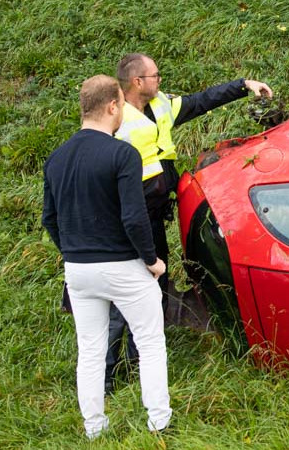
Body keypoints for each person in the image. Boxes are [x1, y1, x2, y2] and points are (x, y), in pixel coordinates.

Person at [104, 53, 272, 391]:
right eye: (155, 76)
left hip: (153, 213)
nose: (160, 80)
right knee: (130, 293)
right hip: (130, 218)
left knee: (152, 285)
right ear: (138, 82)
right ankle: (110, 372)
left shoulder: (161, 105)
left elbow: (199, 102)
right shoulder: (117, 123)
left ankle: (138, 358)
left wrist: (243, 86)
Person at [42, 75, 172, 439]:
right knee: (149, 343)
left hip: (78, 271)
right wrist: (151, 261)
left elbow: (49, 218)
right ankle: (159, 423)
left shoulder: (57, 158)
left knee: (90, 350)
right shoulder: (122, 153)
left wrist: (72, 252)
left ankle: (94, 428)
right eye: (122, 106)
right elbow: (134, 217)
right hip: (123, 266)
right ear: (113, 106)